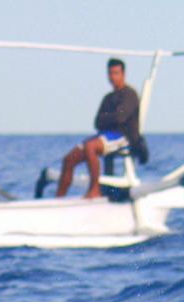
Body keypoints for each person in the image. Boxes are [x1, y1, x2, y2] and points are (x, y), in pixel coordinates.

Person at [56, 57, 144, 200]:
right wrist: (111, 118)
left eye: (116, 73)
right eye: (110, 73)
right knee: (69, 159)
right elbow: (98, 122)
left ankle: (95, 189)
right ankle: (58, 199)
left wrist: (109, 118)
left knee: (91, 147)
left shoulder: (129, 94)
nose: (112, 77)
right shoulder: (107, 98)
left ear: (123, 74)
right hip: (105, 134)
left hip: (123, 136)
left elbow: (120, 118)